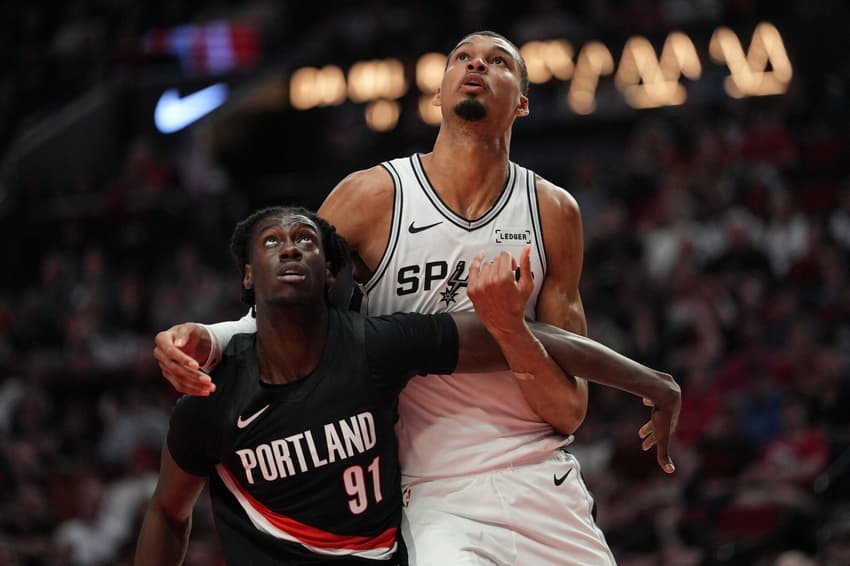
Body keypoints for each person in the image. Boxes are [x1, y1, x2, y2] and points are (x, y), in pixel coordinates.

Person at [155, 32, 678, 564]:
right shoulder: (373, 196)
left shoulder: (552, 211)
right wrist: (214, 337)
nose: (476, 64)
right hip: (431, 491)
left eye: (497, 61)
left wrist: (509, 328)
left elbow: (569, 412)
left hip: (544, 474)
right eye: (461, 58)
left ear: (522, 100)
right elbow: (288, 304)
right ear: (439, 92)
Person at [139, 206, 680, 565]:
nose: (289, 248)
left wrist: (652, 382)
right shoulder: (211, 400)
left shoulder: (374, 346)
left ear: (329, 272)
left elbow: (526, 335)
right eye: (273, 241)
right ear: (249, 275)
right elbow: (168, 512)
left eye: (305, 239)